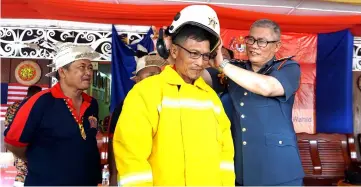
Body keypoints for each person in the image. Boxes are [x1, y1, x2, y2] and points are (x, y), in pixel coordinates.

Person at [113, 5, 235, 186]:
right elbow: (132, 158)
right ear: (175, 51)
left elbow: (225, 155)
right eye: (194, 54)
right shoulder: (146, 93)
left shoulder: (211, 98)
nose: (200, 62)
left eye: (205, 55)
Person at [204, 19, 305, 186]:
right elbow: (202, 79)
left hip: (279, 170)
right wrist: (186, 55)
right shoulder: (235, 69)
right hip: (242, 169)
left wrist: (222, 64)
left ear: (277, 46)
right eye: (250, 39)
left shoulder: (288, 68)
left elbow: (267, 87)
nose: (254, 45)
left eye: (262, 41)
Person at [4, 42, 102, 186]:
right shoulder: (40, 102)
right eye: (82, 67)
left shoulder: (92, 103)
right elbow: (13, 142)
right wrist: (41, 161)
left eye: (90, 68)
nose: (88, 72)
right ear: (62, 72)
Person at [107, 52, 167, 186]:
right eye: (150, 75)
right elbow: (114, 143)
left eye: (159, 75)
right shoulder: (125, 106)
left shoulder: (172, 102)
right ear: (137, 80)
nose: (156, 79)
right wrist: (113, 175)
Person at [3, 85, 42, 187]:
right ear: (37, 94)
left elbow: (7, 124)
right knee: (32, 169)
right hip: (33, 143)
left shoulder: (13, 106)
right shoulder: (36, 106)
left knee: (21, 169)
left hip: (16, 143)